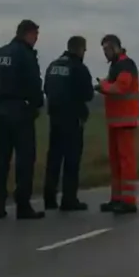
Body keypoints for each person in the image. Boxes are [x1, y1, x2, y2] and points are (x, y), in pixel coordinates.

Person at [0, 19, 45, 220]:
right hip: (21, 111)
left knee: (2, 160)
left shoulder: (0, 53)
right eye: (35, 35)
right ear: (28, 34)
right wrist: (36, 104)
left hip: (3, 110)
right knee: (25, 160)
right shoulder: (25, 54)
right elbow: (33, 83)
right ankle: (23, 205)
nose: (36, 40)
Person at [43, 35, 95, 211]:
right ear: (80, 49)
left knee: (54, 159)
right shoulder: (78, 67)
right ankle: (69, 199)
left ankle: (49, 198)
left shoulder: (53, 65)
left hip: (55, 118)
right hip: (72, 119)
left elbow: (46, 89)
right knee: (71, 161)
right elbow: (88, 94)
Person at [95, 34, 139, 214]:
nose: (105, 53)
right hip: (115, 122)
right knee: (116, 163)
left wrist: (103, 87)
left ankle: (128, 200)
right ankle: (117, 198)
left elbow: (121, 87)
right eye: (103, 50)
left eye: (107, 49)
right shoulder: (116, 65)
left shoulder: (125, 65)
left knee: (126, 162)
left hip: (125, 121)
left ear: (115, 47)